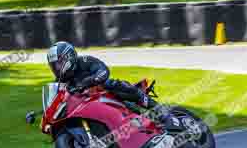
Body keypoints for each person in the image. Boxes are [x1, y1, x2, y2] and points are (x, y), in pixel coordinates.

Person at [46, 41, 180, 128]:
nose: (56, 68)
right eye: (53, 65)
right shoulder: (60, 82)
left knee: (111, 84)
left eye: (58, 63)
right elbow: (57, 100)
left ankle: (161, 112)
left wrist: (90, 81)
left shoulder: (85, 61)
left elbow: (103, 71)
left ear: (69, 57)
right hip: (88, 104)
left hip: (105, 92)